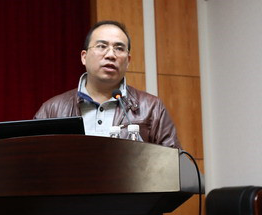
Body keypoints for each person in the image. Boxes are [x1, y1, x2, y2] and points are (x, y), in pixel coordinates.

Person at [34, 20, 181, 149]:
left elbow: (175, 163)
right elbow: (32, 161)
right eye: (101, 46)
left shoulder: (152, 108)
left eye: (119, 48)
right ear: (84, 57)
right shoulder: (52, 109)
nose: (111, 55)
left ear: (128, 61)